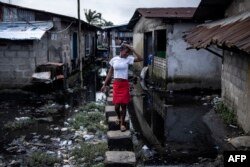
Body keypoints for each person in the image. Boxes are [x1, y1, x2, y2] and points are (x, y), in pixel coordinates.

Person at [101, 41, 143, 132]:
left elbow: (141, 58)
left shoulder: (128, 59)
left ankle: (122, 123)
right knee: (116, 106)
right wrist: (105, 84)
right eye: (126, 51)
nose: (127, 53)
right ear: (121, 50)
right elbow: (110, 73)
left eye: (128, 52)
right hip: (116, 84)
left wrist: (132, 49)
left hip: (124, 84)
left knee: (124, 106)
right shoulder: (114, 59)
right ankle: (118, 117)